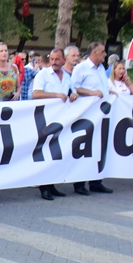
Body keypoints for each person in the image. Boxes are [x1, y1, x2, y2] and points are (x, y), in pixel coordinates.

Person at [31, 48, 77, 200]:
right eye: (52, 59)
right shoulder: (43, 74)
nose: (54, 62)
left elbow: (70, 92)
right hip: (46, 118)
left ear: (63, 60)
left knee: (57, 152)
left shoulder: (67, 77)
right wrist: (56, 95)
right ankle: (44, 187)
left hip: (61, 119)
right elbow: (36, 93)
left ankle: (52, 185)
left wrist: (73, 95)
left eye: (57, 59)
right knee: (46, 152)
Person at [73, 42, 115, 194]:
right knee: (85, 148)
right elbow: (74, 88)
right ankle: (79, 183)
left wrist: (110, 91)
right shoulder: (81, 68)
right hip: (87, 115)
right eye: (103, 52)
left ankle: (96, 181)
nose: (105, 55)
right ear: (94, 53)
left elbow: (102, 87)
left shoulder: (101, 69)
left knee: (99, 147)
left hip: (101, 114)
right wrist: (91, 93)